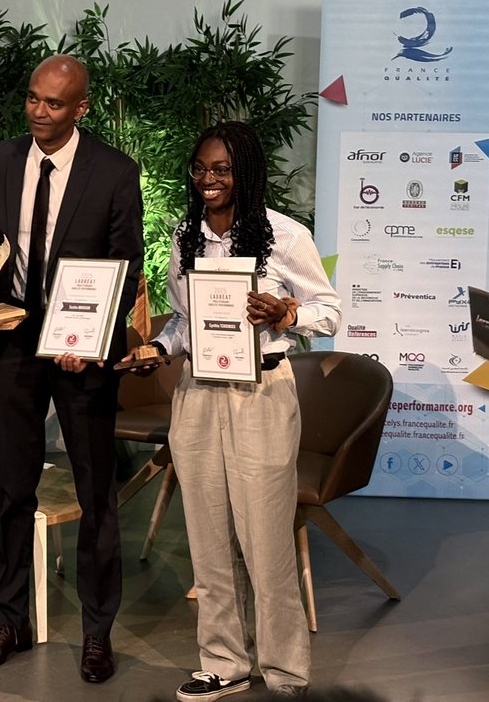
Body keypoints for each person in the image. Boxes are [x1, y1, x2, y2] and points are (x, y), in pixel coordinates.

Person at [143, 121, 340, 700]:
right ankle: (224, 662)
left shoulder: (286, 236)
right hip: (198, 393)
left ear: (245, 172)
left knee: (266, 539)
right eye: (201, 168)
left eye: (222, 169)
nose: (208, 179)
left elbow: (329, 312)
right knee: (207, 537)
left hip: (261, 393)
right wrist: (157, 349)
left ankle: (285, 672)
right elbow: (185, 321)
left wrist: (286, 313)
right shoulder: (186, 235)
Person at [0, 54, 144, 683]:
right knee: (13, 488)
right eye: (33, 98)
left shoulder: (115, 172)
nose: (39, 112)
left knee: (96, 493)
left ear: (81, 108)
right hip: (14, 343)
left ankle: (97, 633)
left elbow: (126, 265)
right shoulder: (0, 159)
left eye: (54, 103)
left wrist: (91, 339)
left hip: (82, 352)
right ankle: (9, 621)